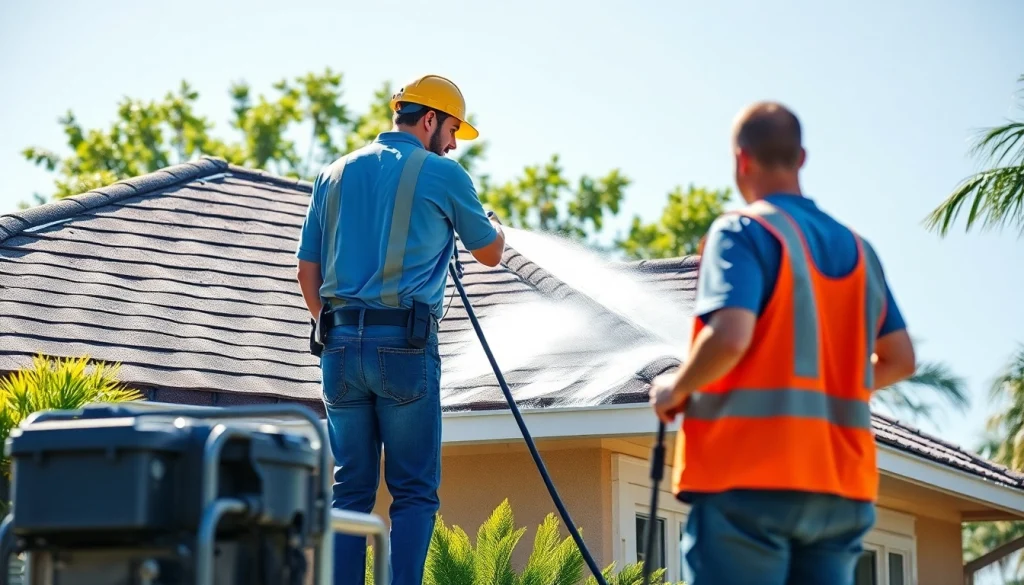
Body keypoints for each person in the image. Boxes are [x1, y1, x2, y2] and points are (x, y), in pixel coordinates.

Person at [648, 101, 917, 585]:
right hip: (840, 490)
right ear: (802, 159)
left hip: (750, 481)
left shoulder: (744, 231)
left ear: (741, 160)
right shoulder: (860, 249)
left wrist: (676, 389)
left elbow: (730, 337)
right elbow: (901, 359)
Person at [295, 73, 505, 585]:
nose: (454, 144)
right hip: (406, 350)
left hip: (338, 349)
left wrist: (335, 330)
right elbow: (491, 253)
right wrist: (493, 222)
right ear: (429, 119)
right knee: (412, 491)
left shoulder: (334, 173)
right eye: (452, 129)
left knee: (349, 491)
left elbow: (307, 271)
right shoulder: (443, 175)